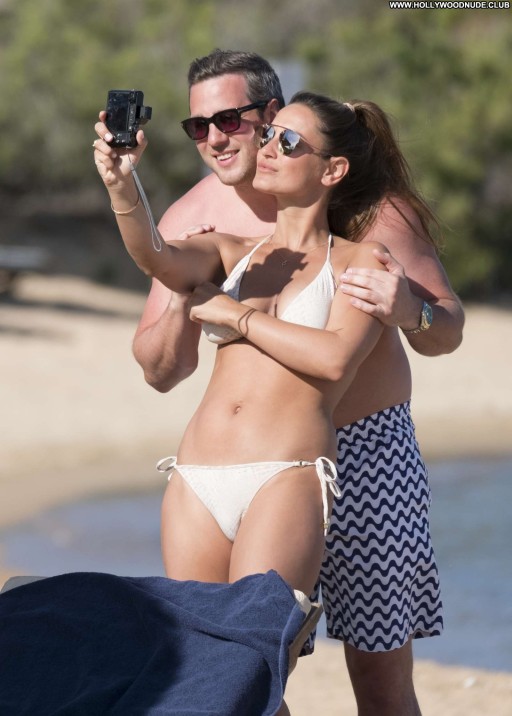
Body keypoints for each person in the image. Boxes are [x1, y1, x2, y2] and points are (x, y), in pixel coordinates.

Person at [94, 50, 465, 716]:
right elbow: (157, 303)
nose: (220, 138)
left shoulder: (375, 224)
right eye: (198, 126)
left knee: (377, 683)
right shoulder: (208, 228)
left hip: (362, 457)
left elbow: (433, 331)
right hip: (218, 464)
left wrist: (413, 310)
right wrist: (123, 184)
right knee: (223, 673)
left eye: (238, 123)